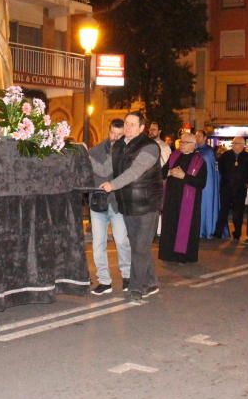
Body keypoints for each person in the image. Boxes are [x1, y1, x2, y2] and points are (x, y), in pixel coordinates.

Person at [101, 112, 163, 302]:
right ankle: (151, 282)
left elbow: (134, 172)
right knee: (138, 246)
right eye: (126, 123)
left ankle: (136, 287)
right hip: (127, 204)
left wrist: (112, 185)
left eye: (132, 124)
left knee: (140, 247)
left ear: (142, 128)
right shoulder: (118, 145)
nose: (128, 127)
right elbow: (109, 169)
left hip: (147, 205)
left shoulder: (150, 147)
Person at [88, 119, 131, 294]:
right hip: (98, 204)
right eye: (113, 133)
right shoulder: (95, 151)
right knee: (98, 244)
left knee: (122, 241)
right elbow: (104, 171)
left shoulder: (127, 152)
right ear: (109, 131)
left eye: (120, 135)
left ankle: (127, 276)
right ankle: (104, 281)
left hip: (117, 203)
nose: (116, 137)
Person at [159, 133, 208, 262]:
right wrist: (169, 172)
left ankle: (183, 256)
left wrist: (184, 177)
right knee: (170, 226)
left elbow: (201, 183)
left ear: (193, 145)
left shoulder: (200, 161)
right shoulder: (174, 156)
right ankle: (168, 254)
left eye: (185, 142)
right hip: (171, 199)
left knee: (185, 228)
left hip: (188, 202)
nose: (181, 144)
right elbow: (162, 172)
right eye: (181, 142)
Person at [216, 136, 248, 241]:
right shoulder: (225, 155)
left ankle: (237, 233)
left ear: (242, 145)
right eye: (234, 144)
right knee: (223, 211)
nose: (235, 146)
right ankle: (218, 232)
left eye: (237, 144)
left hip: (240, 188)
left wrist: (246, 181)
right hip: (226, 187)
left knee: (238, 212)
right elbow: (220, 169)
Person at [194, 130, 220, 239]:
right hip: (194, 183)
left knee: (205, 206)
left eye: (200, 136)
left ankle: (206, 229)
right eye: (196, 136)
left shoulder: (209, 152)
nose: (197, 138)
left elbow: (212, 171)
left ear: (205, 138)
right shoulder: (194, 150)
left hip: (206, 185)